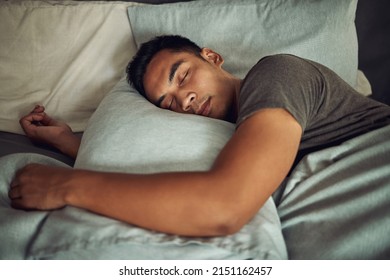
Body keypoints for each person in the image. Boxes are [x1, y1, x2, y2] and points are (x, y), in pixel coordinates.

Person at [9, 35, 390, 237]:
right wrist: (70, 143)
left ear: (212, 57)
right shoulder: (232, 129)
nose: (185, 100)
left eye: (183, 75)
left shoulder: (275, 75)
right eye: (169, 102)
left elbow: (224, 207)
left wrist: (67, 186)